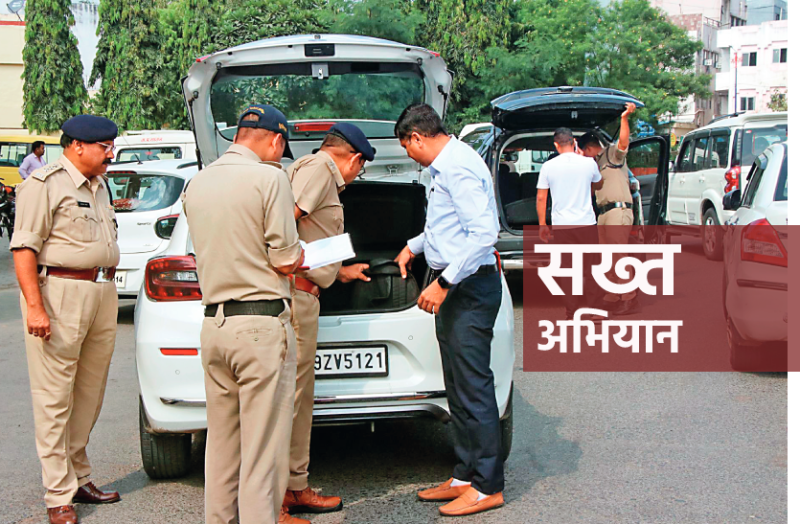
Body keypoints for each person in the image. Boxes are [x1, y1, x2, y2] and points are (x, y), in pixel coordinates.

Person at [182, 105, 304, 524]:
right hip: (260, 324)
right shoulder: (270, 178)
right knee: (262, 452)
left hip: (214, 325)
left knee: (221, 446)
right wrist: (302, 255)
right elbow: (285, 259)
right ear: (276, 140)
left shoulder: (197, 182)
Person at [393, 104, 505, 517]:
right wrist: (414, 246)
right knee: (457, 386)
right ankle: (465, 475)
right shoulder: (445, 167)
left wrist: (443, 283)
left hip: (469, 287)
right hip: (459, 285)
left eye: (406, 147)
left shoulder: (458, 167)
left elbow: (483, 234)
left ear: (416, 137)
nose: (408, 155)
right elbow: (447, 225)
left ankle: (488, 485)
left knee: (474, 387)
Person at [10, 115, 121, 524]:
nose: (111, 154)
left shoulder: (100, 185)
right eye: (104, 147)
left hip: (101, 290)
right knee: (54, 398)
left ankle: (78, 476)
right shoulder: (45, 184)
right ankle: (58, 493)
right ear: (77, 146)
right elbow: (24, 249)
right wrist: (35, 306)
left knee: (90, 393)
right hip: (60, 293)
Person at [281, 124, 375, 522]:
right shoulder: (320, 169)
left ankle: (295, 486)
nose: (356, 176)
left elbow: (308, 232)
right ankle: (277, 497)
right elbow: (285, 223)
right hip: (296, 294)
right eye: (361, 169)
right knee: (289, 399)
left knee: (299, 399)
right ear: (354, 159)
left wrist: (337, 271)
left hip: (307, 291)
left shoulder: (314, 170)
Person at [577, 102, 640, 315]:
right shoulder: (594, 164)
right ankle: (613, 296)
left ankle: (629, 297)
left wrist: (624, 118)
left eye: (583, 152)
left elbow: (623, 143)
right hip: (604, 214)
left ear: (589, 147)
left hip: (617, 211)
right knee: (607, 258)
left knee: (619, 255)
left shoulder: (612, 154)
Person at [536, 127, 605, 321]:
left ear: (556, 145)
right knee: (592, 268)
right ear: (574, 142)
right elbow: (599, 184)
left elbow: (541, 197)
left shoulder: (548, 166)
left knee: (568, 270)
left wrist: (542, 224)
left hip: (562, 226)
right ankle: (595, 311)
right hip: (586, 224)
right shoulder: (589, 163)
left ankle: (572, 312)